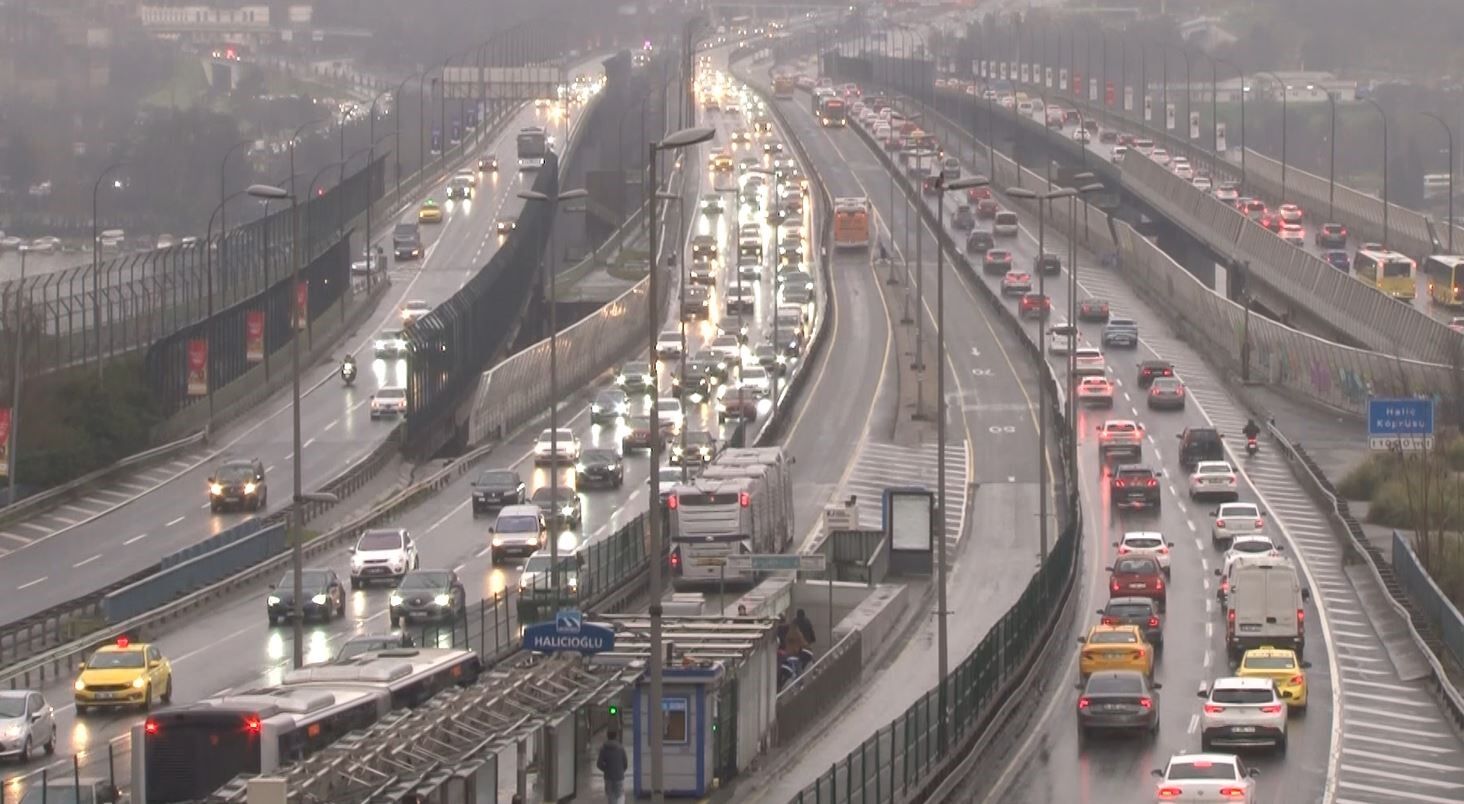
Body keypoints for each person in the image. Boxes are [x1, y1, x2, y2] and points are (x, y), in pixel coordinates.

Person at [597, 730, 628, 804]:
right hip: (619, 776)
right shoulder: (621, 748)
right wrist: (620, 770)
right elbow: (625, 764)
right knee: (620, 796)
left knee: (611, 797)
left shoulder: (603, 749)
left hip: (608, 777)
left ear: (607, 737)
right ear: (616, 737)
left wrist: (606, 770)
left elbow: (599, 764)